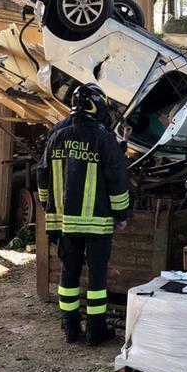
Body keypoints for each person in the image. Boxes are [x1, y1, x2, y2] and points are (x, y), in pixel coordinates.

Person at [37, 83, 130, 345]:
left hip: (64, 222)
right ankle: (95, 330)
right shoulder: (104, 138)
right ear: (98, 106)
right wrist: (121, 214)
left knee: (69, 273)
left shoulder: (56, 136)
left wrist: (48, 207)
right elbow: (116, 180)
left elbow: (42, 176)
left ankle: (70, 328)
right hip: (97, 222)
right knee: (97, 276)